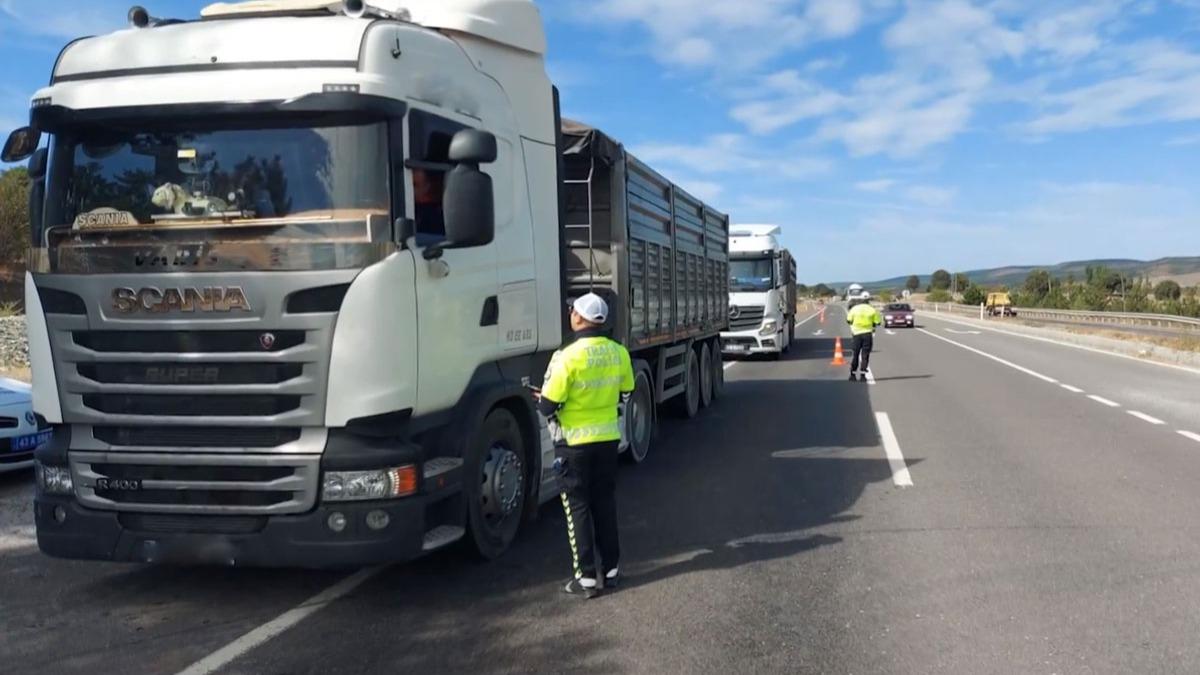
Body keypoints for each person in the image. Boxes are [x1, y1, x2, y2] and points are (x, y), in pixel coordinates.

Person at [536, 293, 635, 599]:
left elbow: (548, 406)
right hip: (607, 441)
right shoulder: (619, 353)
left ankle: (586, 578)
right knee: (604, 504)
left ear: (578, 318)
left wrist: (543, 399)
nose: (571, 315)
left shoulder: (566, 357)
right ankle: (612, 570)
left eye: (572, 311)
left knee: (577, 507)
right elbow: (627, 391)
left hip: (574, 444)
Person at [846, 298, 882, 381]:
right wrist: (872, 323)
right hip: (867, 334)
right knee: (865, 355)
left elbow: (848, 320)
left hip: (856, 334)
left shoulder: (854, 309)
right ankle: (863, 376)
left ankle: (853, 375)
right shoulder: (872, 310)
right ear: (868, 303)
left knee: (855, 354)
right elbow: (878, 322)